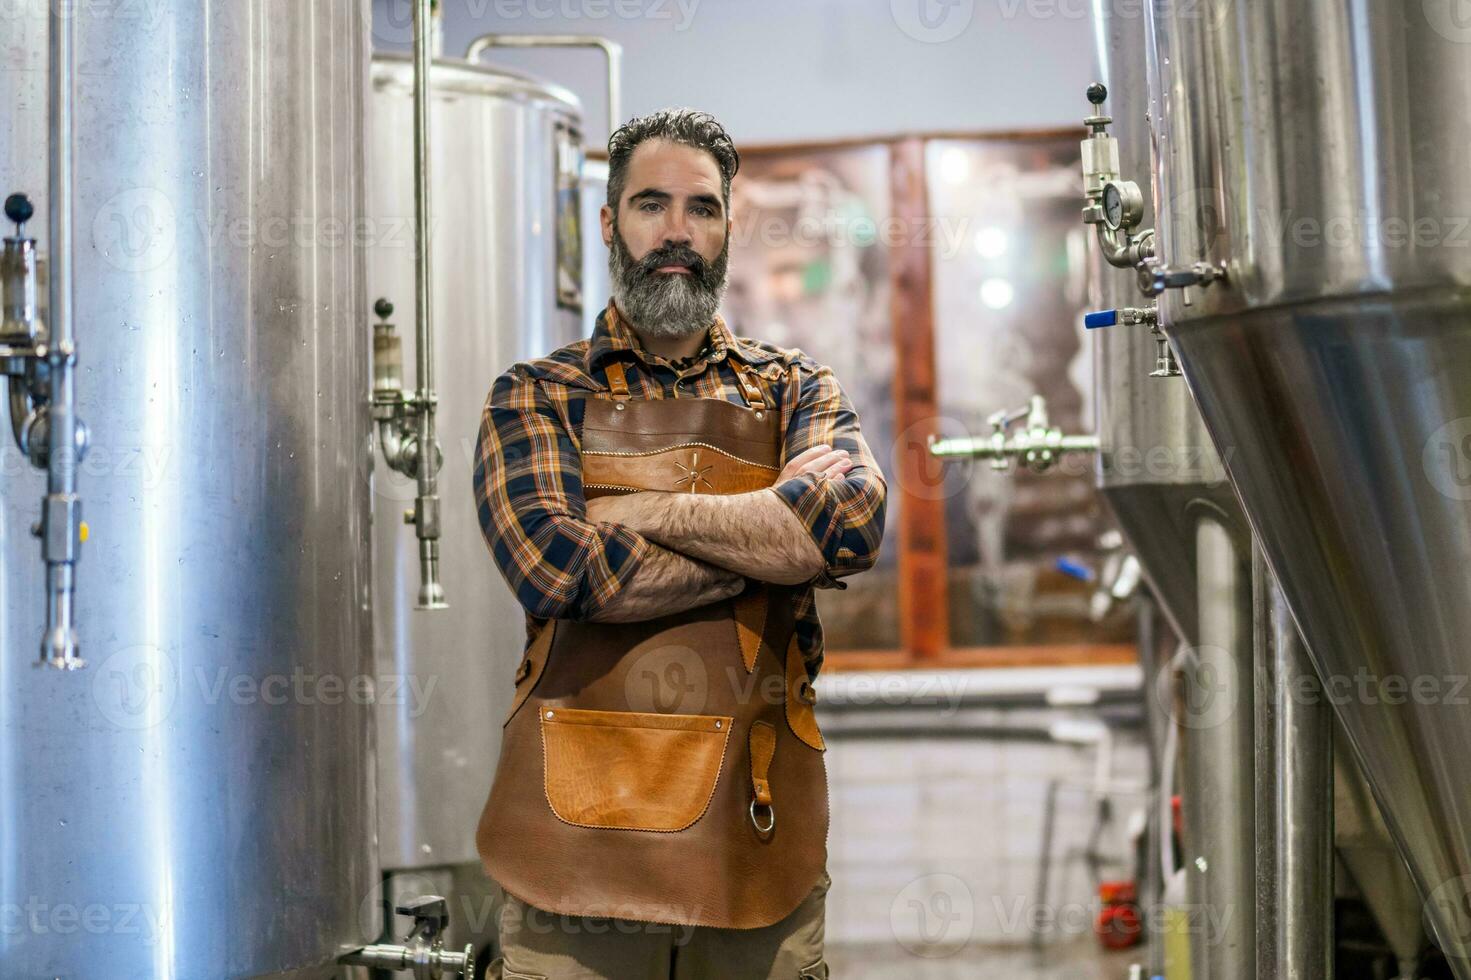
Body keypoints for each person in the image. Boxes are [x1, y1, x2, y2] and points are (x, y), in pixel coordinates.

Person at [472, 107, 887, 980]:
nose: (675, 232)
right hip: (568, 846)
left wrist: (637, 510)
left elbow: (845, 525)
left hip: (752, 823)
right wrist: (761, 545)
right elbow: (564, 569)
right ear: (608, 222)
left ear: (729, 226)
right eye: (650, 204)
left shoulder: (792, 388)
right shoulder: (536, 395)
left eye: (701, 208)